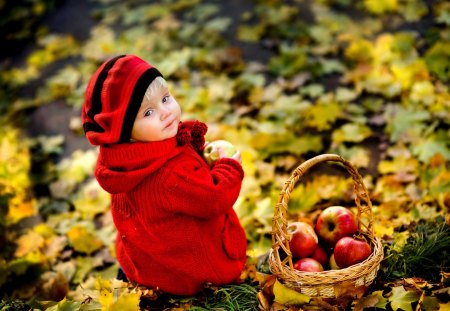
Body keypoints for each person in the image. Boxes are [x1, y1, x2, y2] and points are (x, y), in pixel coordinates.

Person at [81, 54, 247, 296]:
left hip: (150, 265)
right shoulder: (171, 172)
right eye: (148, 112)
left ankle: (135, 276)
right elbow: (215, 197)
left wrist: (201, 155)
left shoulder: (124, 164)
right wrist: (228, 166)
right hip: (191, 276)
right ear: (123, 131)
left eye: (166, 98)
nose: (165, 112)